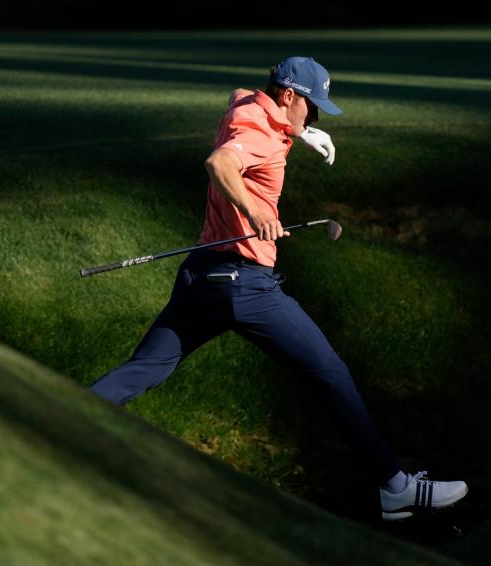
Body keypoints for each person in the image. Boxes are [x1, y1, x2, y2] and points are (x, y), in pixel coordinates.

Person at [88, 56, 467, 521]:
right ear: (289, 96)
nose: (317, 115)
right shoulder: (261, 137)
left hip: (201, 273)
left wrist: (300, 133)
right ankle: (395, 488)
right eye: (313, 107)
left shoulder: (246, 107)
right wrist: (256, 210)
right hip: (244, 285)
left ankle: (58, 417)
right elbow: (219, 163)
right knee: (330, 371)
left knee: (145, 368)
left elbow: (237, 96)